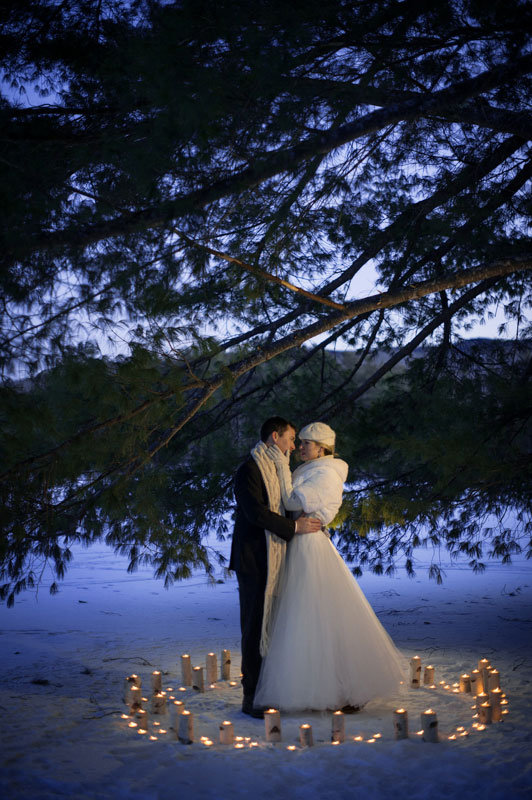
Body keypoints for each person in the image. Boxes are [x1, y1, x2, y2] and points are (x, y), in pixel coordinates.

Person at [253, 421, 405, 712]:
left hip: (310, 547)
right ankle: (309, 684)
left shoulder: (326, 472)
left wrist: (282, 467)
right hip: (299, 542)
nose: (300, 447)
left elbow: (294, 499)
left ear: (321, 448)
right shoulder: (310, 470)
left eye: (306, 443)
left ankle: (340, 688)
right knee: (302, 617)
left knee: (316, 615)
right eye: (300, 442)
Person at [229, 416, 322, 717]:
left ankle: (271, 689)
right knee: (255, 627)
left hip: (277, 556)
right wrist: (294, 528)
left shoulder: (281, 470)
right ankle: (251, 697)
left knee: (274, 626)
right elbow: (255, 513)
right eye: (290, 438)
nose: (294, 446)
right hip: (254, 559)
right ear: (274, 437)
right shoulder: (250, 469)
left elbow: (290, 502)